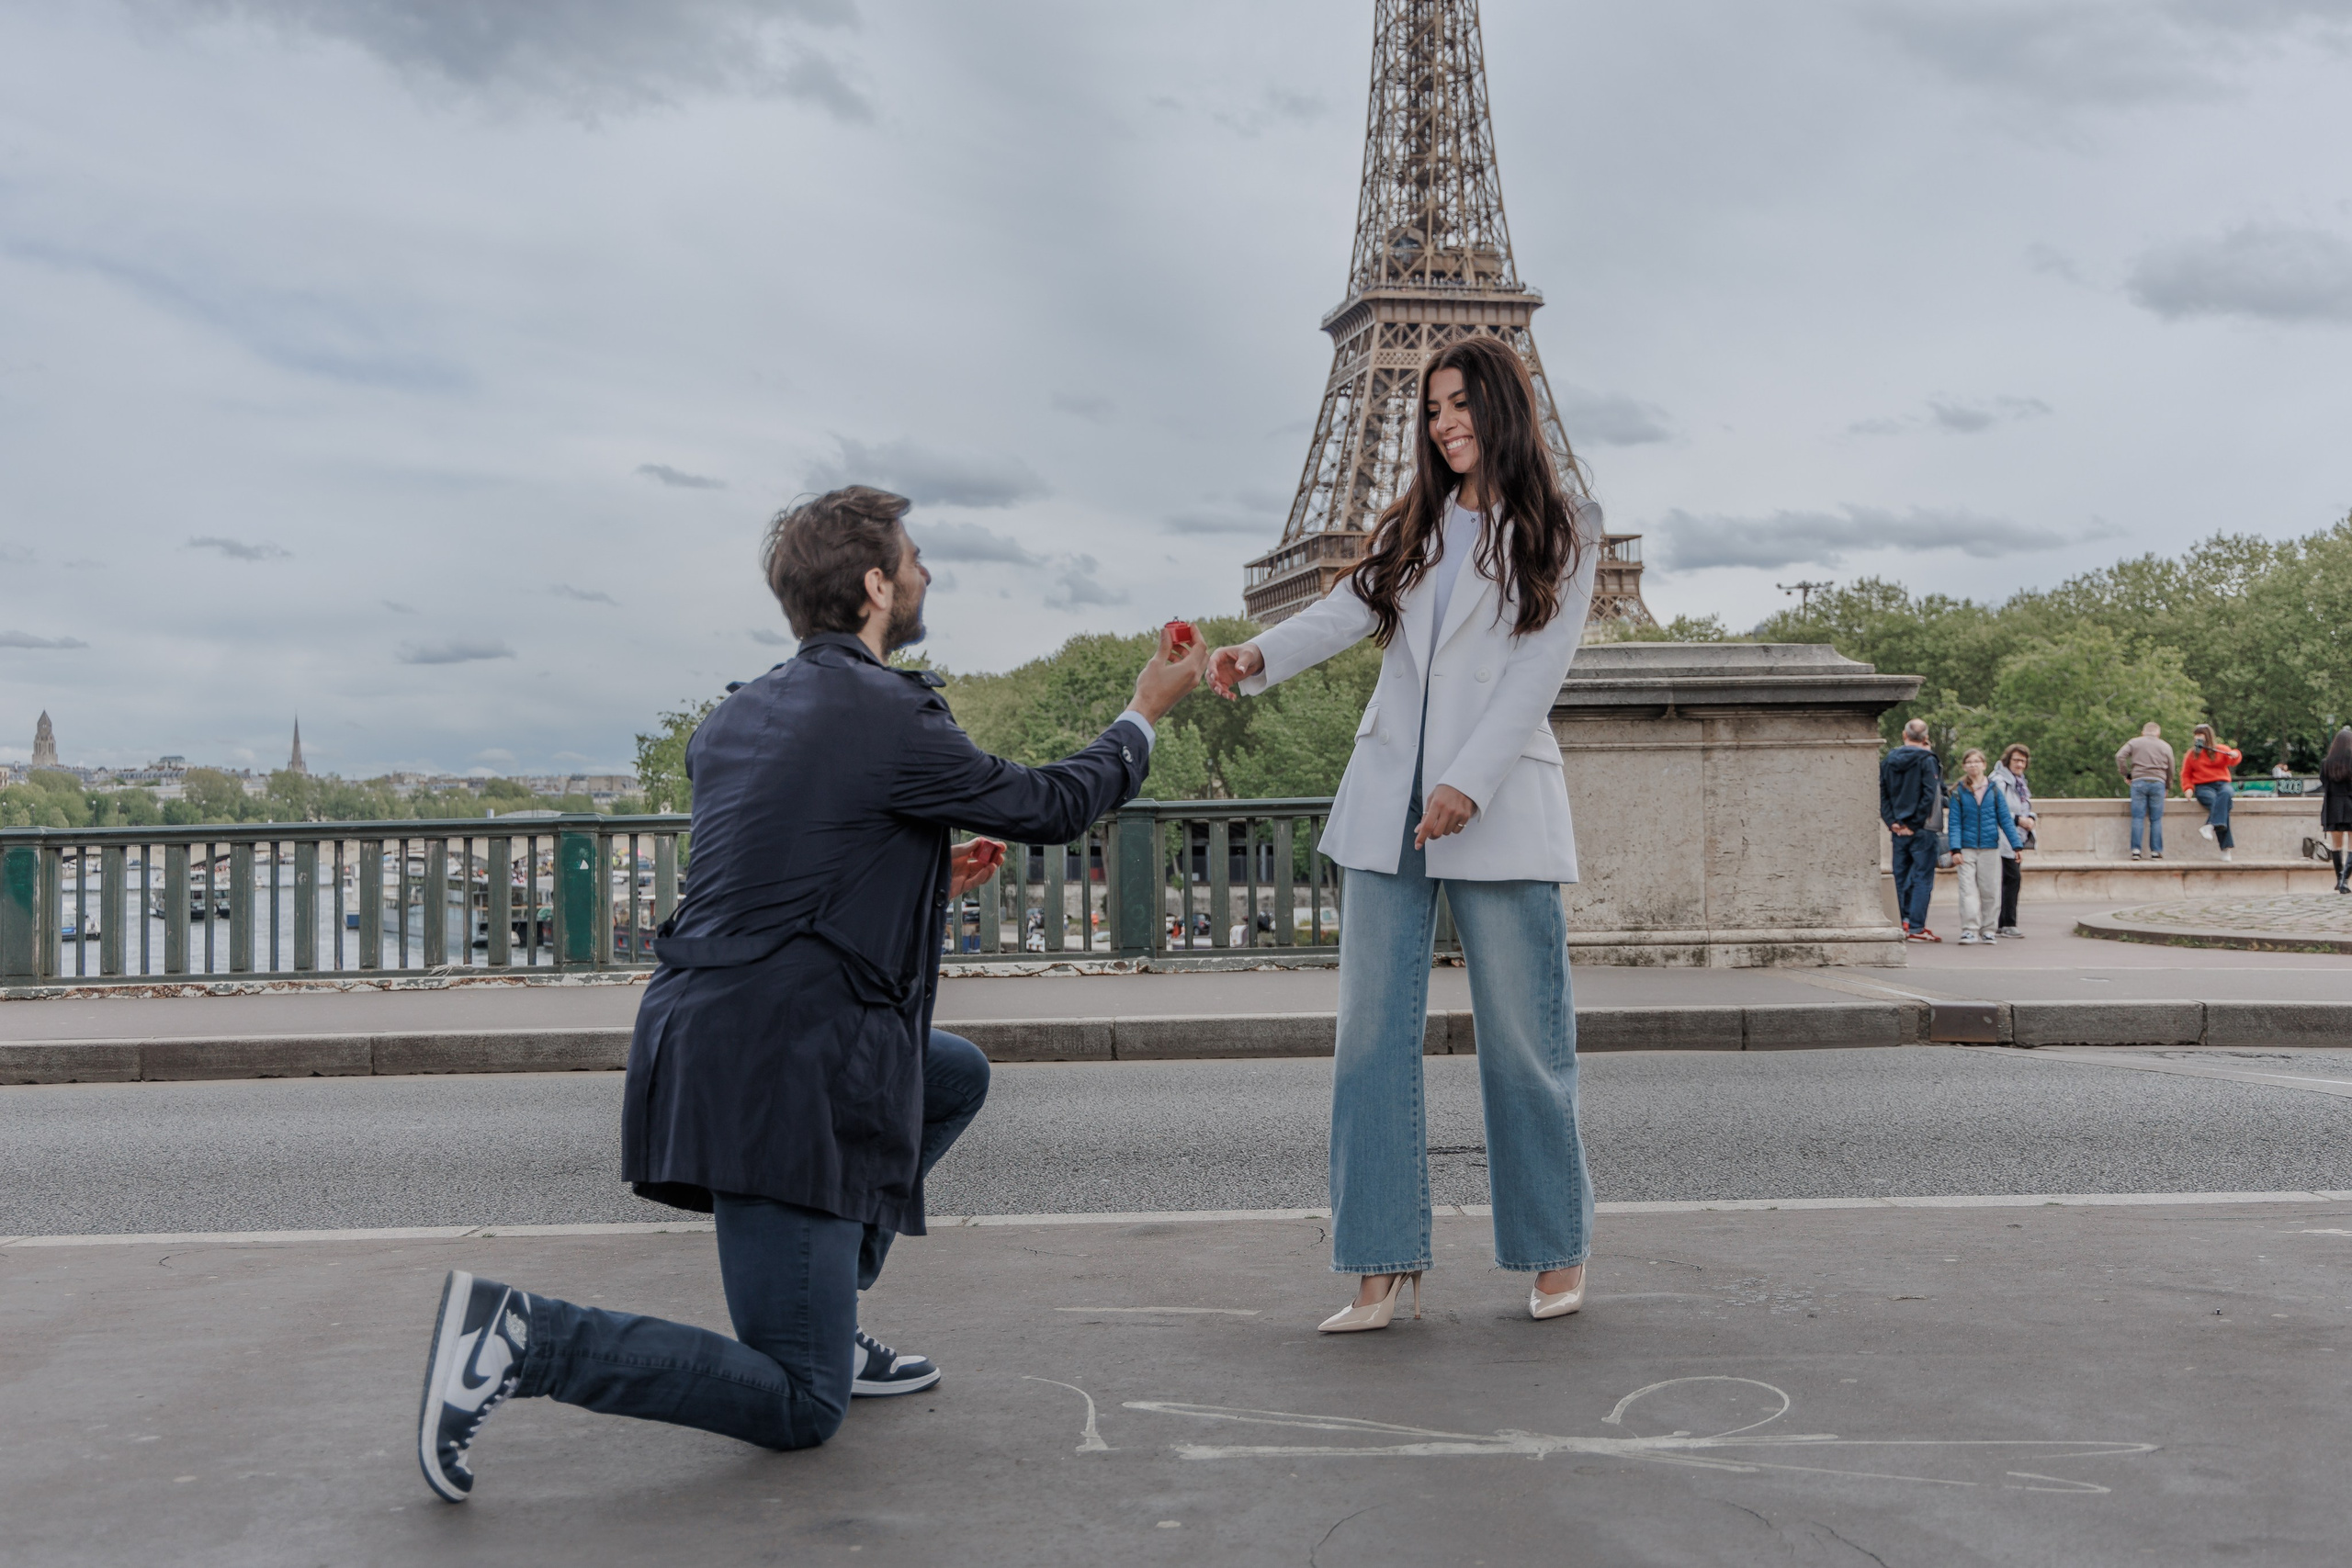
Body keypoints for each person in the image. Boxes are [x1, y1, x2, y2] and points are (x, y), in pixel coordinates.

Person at [415, 486, 1207, 1501]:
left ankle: (827, 1309)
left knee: (951, 1075)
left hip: (716, 1034)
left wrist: (920, 867)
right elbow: (1052, 805)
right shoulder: (888, 712)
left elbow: (783, 863)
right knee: (800, 1404)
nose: (925, 574)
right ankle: (524, 1338)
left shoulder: (737, 712)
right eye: (914, 559)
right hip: (782, 1065)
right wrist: (1143, 710)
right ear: (877, 585)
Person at [1206, 334, 1600, 1331]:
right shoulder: (1418, 525)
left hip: (1496, 806)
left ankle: (1553, 1248)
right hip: (1387, 808)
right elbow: (1342, 612)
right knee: (1367, 1046)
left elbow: (1534, 675)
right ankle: (1382, 1262)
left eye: (1459, 403)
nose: (1442, 424)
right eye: (1431, 411)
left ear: (1506, 404)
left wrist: (1467, 783)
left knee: (1521, 1044)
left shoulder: (1565, 525)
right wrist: (1254, 656)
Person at [1946, 749, 2023, 944]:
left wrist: (2016, 845)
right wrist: (1955, 849)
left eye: (1977, 762)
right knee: (1967, 890)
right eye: (1969, 762)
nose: (1973, 765)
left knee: (1990, 890)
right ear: (1964, 766)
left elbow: (2005, 819)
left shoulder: (1994, 790)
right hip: (1966, 848)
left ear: (1984, 765)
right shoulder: (1958, 791)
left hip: (1990, 846)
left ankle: (1988, 928)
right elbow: (1954, 822)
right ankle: (1969, 929)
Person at [1881, 718, 1943, 942]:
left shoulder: (1888, 760)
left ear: (1903, 735)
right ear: (1925, 738)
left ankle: (1900, 921)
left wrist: (1893, 823)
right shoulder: (1927, 760)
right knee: (1922, 877)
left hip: (1898, 829)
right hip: (1922, 829)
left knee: (1900, 876)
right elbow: (1929, 795)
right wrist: (1914, 824)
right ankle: (1916, 925)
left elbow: (1883, 793)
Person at [1989, 744, 2037, 937]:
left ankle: (2003, 923)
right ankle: (2007, 923)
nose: (2019, 764)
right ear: (2008, 760)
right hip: (2001, 837)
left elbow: (2024, 805)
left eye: (2023, 761)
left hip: (2015, 836)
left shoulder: (2019, 782)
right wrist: (2019, 820)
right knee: (2011, 878)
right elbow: (1995, 808)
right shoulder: (1999, 781)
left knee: (2009, 879)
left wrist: (2030, 818)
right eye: (2016, 760)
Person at [2116, 721, 2175, 860]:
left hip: (2138, 782)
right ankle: (2155, 851)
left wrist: (2127, 774)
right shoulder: (2165, 746)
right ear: (2158, 734)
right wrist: (2168, 786)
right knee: (2156, 819)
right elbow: (2171, 768)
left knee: (2137, 817)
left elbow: (2119, 756)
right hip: (2158, 782)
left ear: (2143, 732)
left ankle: (2136, 850)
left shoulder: (2135, 742)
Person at [2182, 724, 2241, 863]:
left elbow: (2234, 759)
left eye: (2201, 735)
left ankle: (2209, 825)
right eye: (2196, 735)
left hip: (2222, 784)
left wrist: (2235, 754)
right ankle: (2225, 848)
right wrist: (2188, 788)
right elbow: (2186, 774)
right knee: (2220, 805)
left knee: (2226, 794)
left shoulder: (2219, 750)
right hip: (2203, 786)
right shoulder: (2192, 754)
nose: (2197, 738)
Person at [2324, 726, 2352, 896]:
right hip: (2350, 804)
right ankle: (2345, 881)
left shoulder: (2326, 764)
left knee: (2336, 845)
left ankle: (2338, 879)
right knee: (2351, 846)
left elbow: (2324, 783)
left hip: (2332, 806)